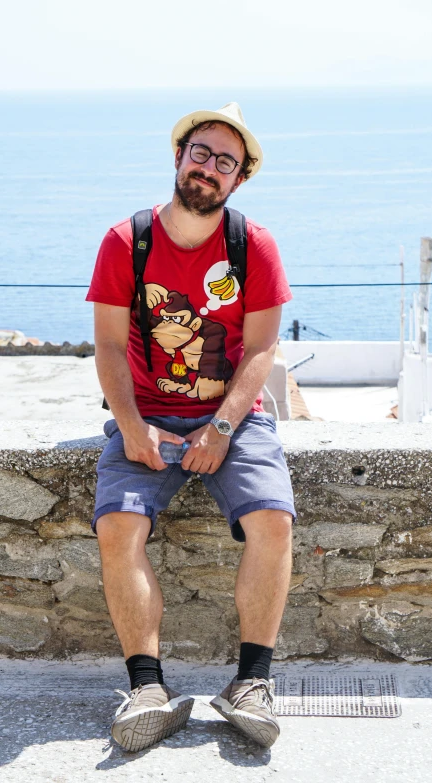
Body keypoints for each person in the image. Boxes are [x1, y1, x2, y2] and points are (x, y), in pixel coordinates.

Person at [86, 102, 296, 753]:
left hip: (230, 419)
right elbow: (111, 348)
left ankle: (251, 685)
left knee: (274, 519)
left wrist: (223, 427)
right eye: (200, 153)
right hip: (145, 415)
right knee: (119, 524)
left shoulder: (252, 244)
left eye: (224, 162)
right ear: (178, 156)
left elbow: (262, 350)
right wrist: (131, 427)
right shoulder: (127, 242)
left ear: (238, 179)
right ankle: (147, 689)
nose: (208, 168)